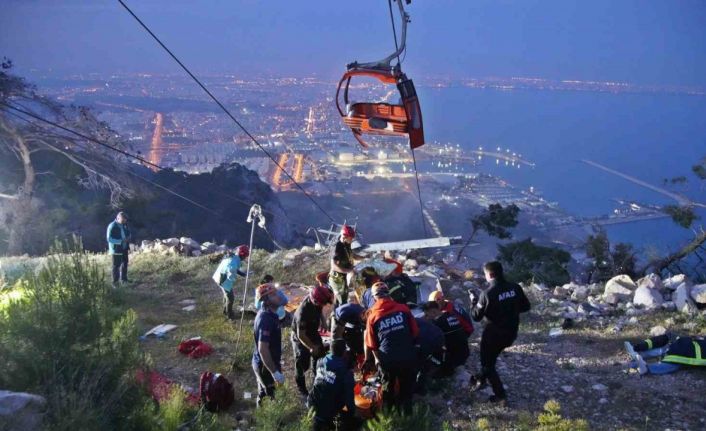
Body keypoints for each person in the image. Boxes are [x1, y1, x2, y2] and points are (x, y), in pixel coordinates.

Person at [469, 261, 531, 403]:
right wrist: (510, 311)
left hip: (493, 335)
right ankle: (481, 378)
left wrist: (473, 302)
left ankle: (500, 395)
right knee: (491, 359)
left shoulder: (487, 294)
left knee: (487, 364)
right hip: (511, 333)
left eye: (485, 274)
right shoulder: (515, 288)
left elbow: (475, 317)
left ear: (489, 275)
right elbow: (526, 306)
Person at [364, 281, 419, 413]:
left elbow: (372, 344)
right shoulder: (403, 309)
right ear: (388, 293)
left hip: (387, 359)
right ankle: (407, 416)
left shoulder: (372, 316)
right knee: (407, 388)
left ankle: (389, 416)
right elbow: (415, 332)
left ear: (374, 297)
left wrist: (378, 360)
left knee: (388, 389)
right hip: (407, 356)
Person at [292, 284, 334, 396]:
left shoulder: (318, 299)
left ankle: (318, 380)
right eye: (322, 303)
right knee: (302, 363)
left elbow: (320, 310)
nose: (324, 305)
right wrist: (311, 347)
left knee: (320, 356)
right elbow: (301, 335)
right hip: (301, 337)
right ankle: (302, 389)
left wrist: (323, 321)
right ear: (315, 301)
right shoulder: (303, 312)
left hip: (313, 332)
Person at [307, 338, 356, 431]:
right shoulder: (345, 372)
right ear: (344, 352)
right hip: (328, 411)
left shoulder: (320, 361)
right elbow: (349, 398)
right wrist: (352, 414)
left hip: (312, 403)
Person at [252, 283, 286, 407]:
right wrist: (274, 372)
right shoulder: (265, 319)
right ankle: (270, 422)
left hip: (268, 362)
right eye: (273, 294)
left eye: (276, 293)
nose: (278, 296)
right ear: (266, 300)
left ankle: (260, 408)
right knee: (271, 395)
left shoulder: (272, 314)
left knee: (264, 390)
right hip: (265, 366)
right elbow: (263, 349)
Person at [422, 300, 470, 376]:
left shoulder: (437, 323)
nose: (426, 317)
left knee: (426, 352)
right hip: (465, 352)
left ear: (434, 312)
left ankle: (446, 372)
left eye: (427, 315)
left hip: (454, 358)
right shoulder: (451, 316)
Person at [625, 334, 706, 375]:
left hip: (680, 344)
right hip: (684, 355)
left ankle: (637, 354)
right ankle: (645, 367)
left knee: (662, 350)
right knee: (670, 365)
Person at [329, 225, 364, 306]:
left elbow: (351, 255)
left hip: (345, 275)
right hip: (337, 278)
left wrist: (364, 258)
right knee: (342, 300)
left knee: (348, 295)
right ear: (344, 236)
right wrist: (349, 271)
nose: (352, 240)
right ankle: (338, 315)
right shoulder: (337, 247)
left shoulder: (347, 244)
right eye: (350, 238)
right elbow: (333, 266)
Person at [212, 245, 249, 320]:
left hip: (219, 276)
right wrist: (232, 279)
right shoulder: (234, 262)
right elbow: (232, 271)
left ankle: (225, 311)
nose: (245, 258)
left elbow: (235, 269)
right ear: (242, 255)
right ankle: (229, 314)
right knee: (230, 298)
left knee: (227, 295)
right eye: (245, 256)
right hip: (223, 280)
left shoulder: (234, 257)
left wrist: (243, 274)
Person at [414, 312, 445, 394]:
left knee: (421, 364)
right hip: (439, 337)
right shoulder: (416, 319)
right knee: (429, 362)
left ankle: (420, 388)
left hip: (430, 342)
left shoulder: (410, 325)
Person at [106, 211, 132, 286]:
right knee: (116, 265)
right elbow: (109, 239)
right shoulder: (112, 226)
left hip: (124, 248)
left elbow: (127, 232)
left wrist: (129, 237)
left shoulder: (124, 225)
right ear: (118, 218)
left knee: (125, 263)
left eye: (125, 220)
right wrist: (120, 241)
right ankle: (115, 282)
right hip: (116, 249)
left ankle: (124, 279)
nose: (124, 221)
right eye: (123, 220)